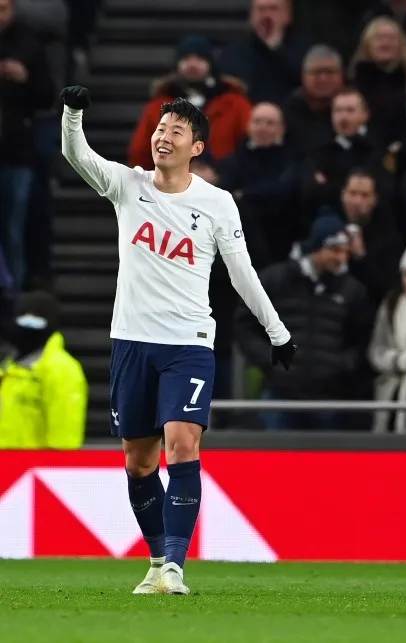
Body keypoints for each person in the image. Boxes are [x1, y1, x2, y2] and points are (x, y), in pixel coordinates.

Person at [59, 85, 297, 595]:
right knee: (139, 462)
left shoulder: (217, 204)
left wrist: (277, 333)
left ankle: (174, 566)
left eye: (176, 132)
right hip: (131, 342)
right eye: (160, 129)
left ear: (197, 147)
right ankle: (154, 559)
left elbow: (242, 273)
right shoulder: (127, 185)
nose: (163, 137)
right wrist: (73, 113)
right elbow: (74, 154)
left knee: (182, 444)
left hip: (188, 343)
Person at [0, 290, 87, 449]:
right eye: (23, 321)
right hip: (6, 469)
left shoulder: (63, 369)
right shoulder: (7, 368)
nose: (27, 329)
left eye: (35, 322)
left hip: (34, 470)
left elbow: (64, 438)